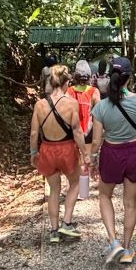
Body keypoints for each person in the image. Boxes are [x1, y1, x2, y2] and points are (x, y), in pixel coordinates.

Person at [89, 57, 136, 265]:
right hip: (135, 152)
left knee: (105, 196)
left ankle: (112, 241)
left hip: (111, 153)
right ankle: (126, 248)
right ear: (129, 77)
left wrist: (92, 160)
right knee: (130, 202)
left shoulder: (101, 107)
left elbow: (97, 140)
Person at [28, 64, 89, 243]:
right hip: (67, 149)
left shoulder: (40, 104)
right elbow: (77, 132)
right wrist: (85, 153)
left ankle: (53, 231)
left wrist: (33, 152)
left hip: (47, 149)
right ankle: (67, 223)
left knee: (54, 190)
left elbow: (33, 133)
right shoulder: (71, 103)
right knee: (75, 183)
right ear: (66, 82)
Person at [70, 60, 101, 146]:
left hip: (73, 133)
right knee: (86, 157)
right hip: (89, 132)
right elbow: (99, 113)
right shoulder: (94, 91)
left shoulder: (69, 91)